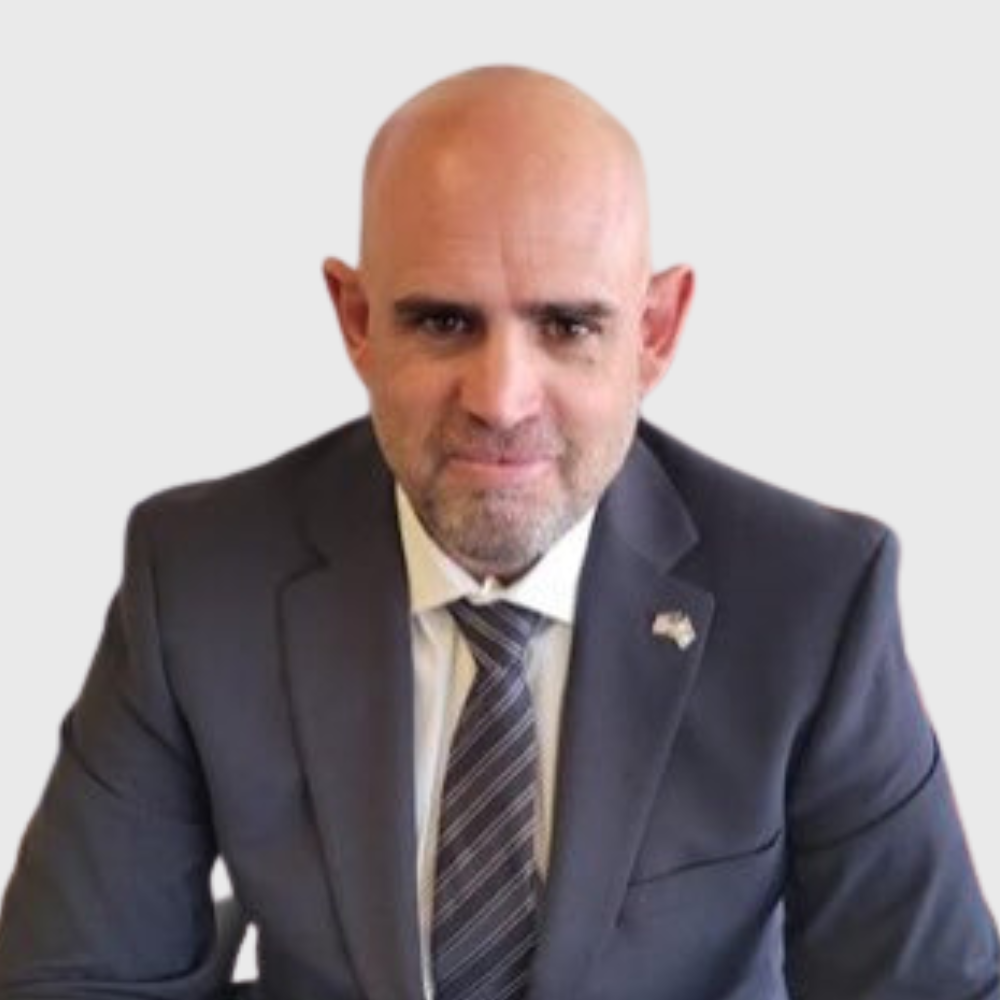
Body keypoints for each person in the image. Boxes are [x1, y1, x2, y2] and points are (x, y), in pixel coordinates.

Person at [0, 64, 996, 1000]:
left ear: (653, 331)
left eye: (567, 326)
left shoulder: (814, 600)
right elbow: (77, 978)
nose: (501, 399)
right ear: (357, 320)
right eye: (443, 322)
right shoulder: (199, 580)